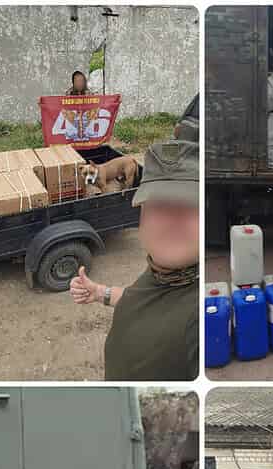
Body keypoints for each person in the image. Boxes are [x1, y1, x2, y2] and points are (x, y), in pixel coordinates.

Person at [69, 140, 198, 381]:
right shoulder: (162, 271)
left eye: (189, 208)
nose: (170, 221)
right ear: (141, 218)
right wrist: (99, 292)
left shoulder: (205, 312)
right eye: (158, 207)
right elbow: (141, 298)